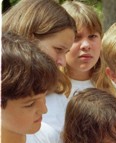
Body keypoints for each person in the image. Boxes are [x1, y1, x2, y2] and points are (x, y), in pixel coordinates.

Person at [2, 0, 77, 133]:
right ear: (29, 39)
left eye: (66, 52)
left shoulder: (57, 97)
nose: (62, 62)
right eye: (58, 49)